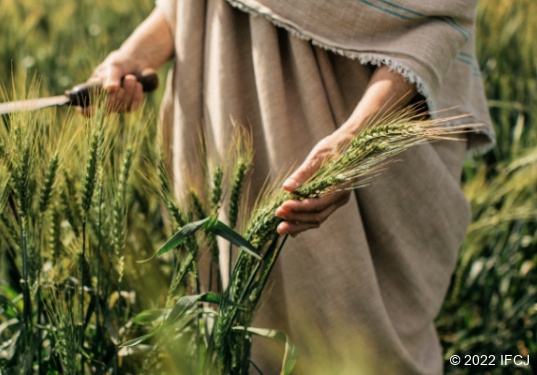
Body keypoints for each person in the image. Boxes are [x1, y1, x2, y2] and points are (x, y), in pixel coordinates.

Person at [88, 1, 494, 373]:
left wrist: (355, 141)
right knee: (236, 329)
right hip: (222, 134)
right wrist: (135, 55)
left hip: (351, 127)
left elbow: (436, 17)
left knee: (354, 345)